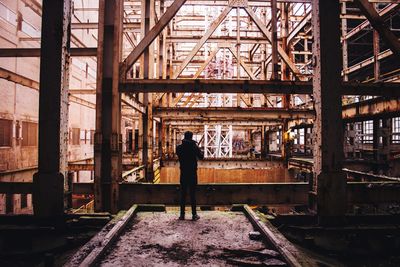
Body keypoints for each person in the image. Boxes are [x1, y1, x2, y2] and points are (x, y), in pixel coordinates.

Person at [176, 131, 204, 221]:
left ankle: (182, 215)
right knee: (193, 194)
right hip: (192, 173)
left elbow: (180, 155)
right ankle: (194, 215)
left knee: (183, 194)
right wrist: (198, 149)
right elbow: (201, 157)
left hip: (183, 172)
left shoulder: (179, 148)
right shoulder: (194, 147)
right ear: (191, 137)